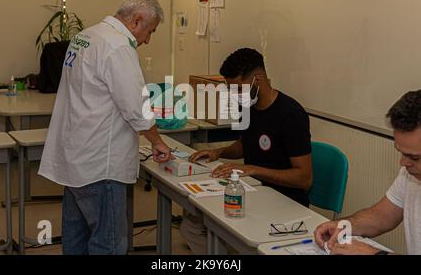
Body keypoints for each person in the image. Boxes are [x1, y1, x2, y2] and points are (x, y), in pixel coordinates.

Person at [38, 0, 173, 255]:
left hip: (75, 160)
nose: (147, 39)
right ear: (136, 21)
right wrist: (157, 142)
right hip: (101, 167)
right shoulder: (119, 46)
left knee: (76, 241)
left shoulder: (85, 37)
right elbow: (136, 107)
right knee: (107, 245)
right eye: (150, 31)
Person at [180, 47, 313, 254]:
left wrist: (253, 169)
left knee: (220, 224)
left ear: (257, 80)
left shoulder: (291, 115)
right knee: (193, 225)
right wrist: (219, 152)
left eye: (237, 89)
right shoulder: (249, 105)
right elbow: (245, 144)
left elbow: (304, 178)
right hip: (253, 189)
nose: (234, 95)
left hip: (283, 199)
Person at [314, 89, 421, 255]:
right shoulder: (411, 174)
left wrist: (373, 253)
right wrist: (344, 225)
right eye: (401, 152)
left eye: (414, 157)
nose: (403, 163)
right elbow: (381, 216)